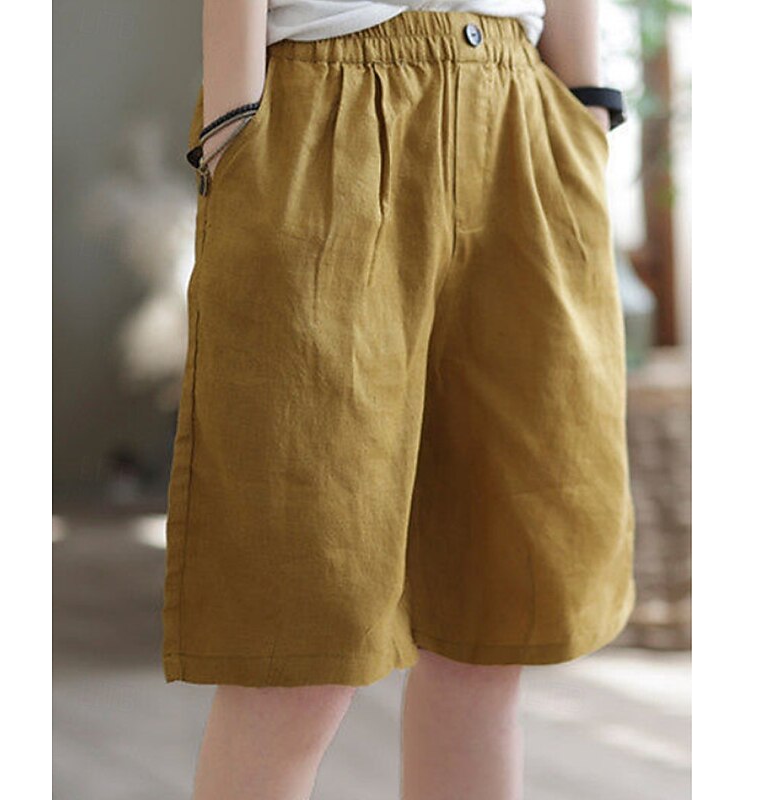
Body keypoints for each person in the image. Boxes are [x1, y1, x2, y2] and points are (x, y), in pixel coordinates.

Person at [162, 1, 635, 798]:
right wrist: (234, 126)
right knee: (296, 645)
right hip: (326, 99)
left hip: (519, 105)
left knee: (490, 636)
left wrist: (584, 105)